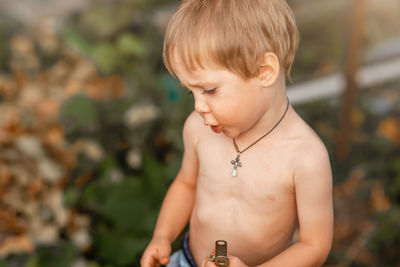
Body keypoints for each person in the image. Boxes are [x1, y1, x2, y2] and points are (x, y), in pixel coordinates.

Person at [141, 0, 333, 266]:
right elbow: (186, 184)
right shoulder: (197, 129)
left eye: (209, 90)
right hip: (187, 259)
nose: (198, 106)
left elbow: (314, 245)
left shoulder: (305, 157)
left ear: (264, 72)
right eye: (191, 91)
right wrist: (162, 235)